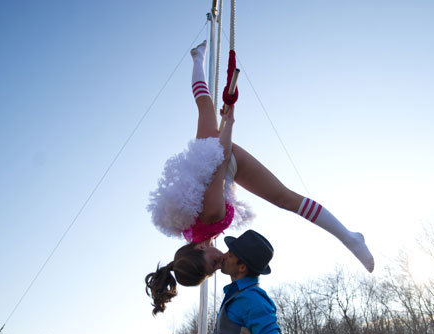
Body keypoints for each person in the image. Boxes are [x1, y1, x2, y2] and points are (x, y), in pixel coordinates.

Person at [145, 41, 374, 315]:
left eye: (213, 262)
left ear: (199, 251)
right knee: (203, 105)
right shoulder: (192, 235)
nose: (221, 261)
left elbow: (220, 159)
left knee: (284, 198)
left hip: (217, 155)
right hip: (210, 165)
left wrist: (229, 122)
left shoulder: (210, 217)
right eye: (217, 267)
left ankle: (349, 238)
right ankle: (197, 57)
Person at [201, 229, 287, 334]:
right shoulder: (238, 295)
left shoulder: (255, 299)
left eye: (230, 254)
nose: (224, 255)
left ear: (242, 267)